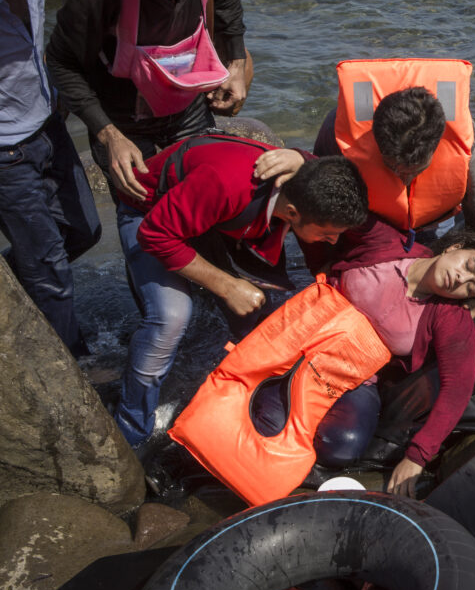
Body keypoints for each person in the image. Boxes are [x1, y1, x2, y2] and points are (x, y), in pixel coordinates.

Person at [114, 134, 368, 447]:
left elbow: (332, 171)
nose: (331, 241)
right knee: (172, 317)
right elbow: (154, 235)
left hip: (213, 220)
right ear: (291, 211)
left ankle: (243, 405)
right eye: (327, 234)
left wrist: (301, 156)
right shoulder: (225, 184)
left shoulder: (301, 177)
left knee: (264, 319)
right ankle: (131, 430)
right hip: (147, 215)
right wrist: (227, 285)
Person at [253, 215, 475, 497]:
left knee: (342, 446)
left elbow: (457, 389)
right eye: (467, 265)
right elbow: (329, 210)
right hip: (298, 341)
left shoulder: (451, 319)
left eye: (471, 287)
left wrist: (416, 457)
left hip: (352, 377)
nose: (461, 278)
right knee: (265, 424)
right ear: (453, 247)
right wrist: (317, 260)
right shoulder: (385, 244)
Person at [45, 0, 252, 202]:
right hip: (121, 119)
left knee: (210, 196)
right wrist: (109, 136)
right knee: (139, 208)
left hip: (188, 105)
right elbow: (61, 62)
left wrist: (237, 64)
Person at [256, 58, 475, 249]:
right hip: (368, 228)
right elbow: (322, 201)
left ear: (438, 144)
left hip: (437, 229)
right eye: (392, 166)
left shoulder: (470, 141)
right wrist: (300, 158)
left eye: (414, 170)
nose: (402, 178)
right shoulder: (338, 129)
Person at [0, 0, 101, 357]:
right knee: (51, 272)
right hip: (7, 152)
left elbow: (36, 46)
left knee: (85, 230)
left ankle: (16, 283)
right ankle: (73, 364)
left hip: (48, 123)